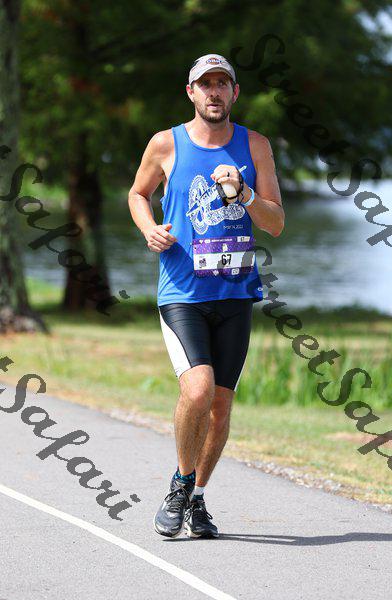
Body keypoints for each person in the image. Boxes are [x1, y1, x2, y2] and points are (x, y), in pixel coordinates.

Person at [128, 53, 284, 539]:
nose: (214, 92)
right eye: (205, 84)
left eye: (222, 84)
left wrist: (245, 195)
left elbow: (276, 222)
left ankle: (196, 499)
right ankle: (180, 484)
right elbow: (138, 193)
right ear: (191, 92)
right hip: (182, 291)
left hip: (235, 292)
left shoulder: (255, 146)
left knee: (220, 405)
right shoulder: (165, 143)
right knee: (197, 390)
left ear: (234, 93)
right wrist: (149, 228)